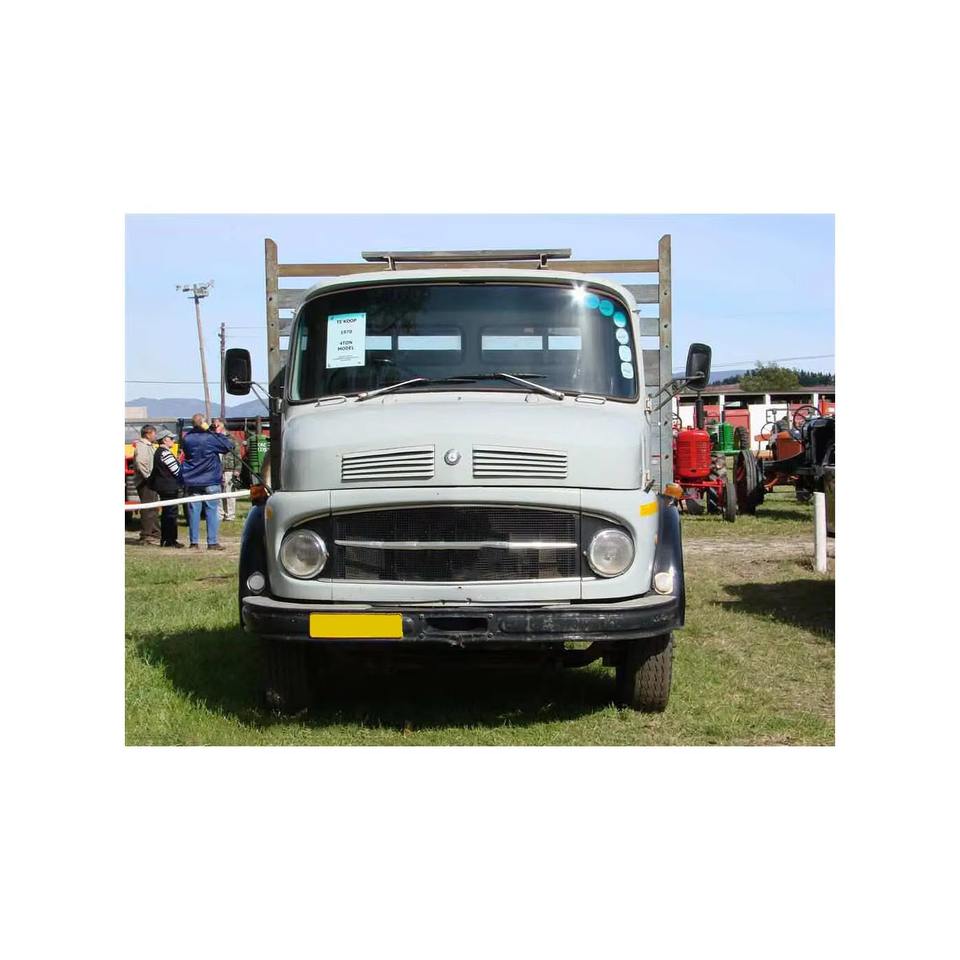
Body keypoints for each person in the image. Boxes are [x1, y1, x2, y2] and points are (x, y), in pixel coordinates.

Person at [181, 413, 235, 550]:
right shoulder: (211, 438)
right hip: (210, 478)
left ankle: (194, 542)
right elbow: (228, 446)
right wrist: (217, 432)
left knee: (194, 512)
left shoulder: (187, 438)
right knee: (212, 511)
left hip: (192, 479)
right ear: (204, 423)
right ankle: (212, 542)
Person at [151, 429, 184, 548]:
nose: (174, 441)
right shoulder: (165, 453)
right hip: (169, 487)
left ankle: (166, 539)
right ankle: (170, 540)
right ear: (165, 440)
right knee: (171, 514)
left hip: (164, 487)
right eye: (171, 438)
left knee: (167, 513)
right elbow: (176, 471)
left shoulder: (159, 452)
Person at [132, 424, 160, 544]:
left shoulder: (148, 446)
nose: (155, 436)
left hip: (150, 481)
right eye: (154, 433)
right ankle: (146, 534)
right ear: (148, 434)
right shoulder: (142, 446)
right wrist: (148, 477)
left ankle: (155, 532)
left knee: (153, 508)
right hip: (145, 482)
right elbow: (141, 462)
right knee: (148, 508)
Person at [212, 418, 241, 522]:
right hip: (216, 469)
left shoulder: (231, 438)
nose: (215, 427)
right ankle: (220, 514)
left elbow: (238, 454)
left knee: (229, 492)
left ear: (223, 425)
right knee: (218, 493)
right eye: (214, 425)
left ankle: (230, 515)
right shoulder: (213, 438)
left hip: (229, 469)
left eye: (217, 425)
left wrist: (237, 469)